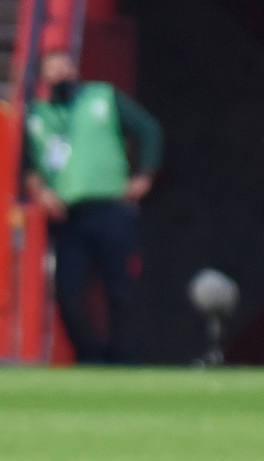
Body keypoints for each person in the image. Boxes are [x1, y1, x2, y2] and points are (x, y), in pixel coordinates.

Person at [23, 47, 163, 364]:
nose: (61, 73)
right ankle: (91, 357)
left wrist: (144, 175)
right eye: (52, 68)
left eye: (65, 65)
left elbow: (149, 130)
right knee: (69, 295)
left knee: (121, 291)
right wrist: (42, 192)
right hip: (69, 217)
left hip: (111, 209)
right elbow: (26, 165)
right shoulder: (37, 116)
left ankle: (123, 360)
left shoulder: (103, 97)